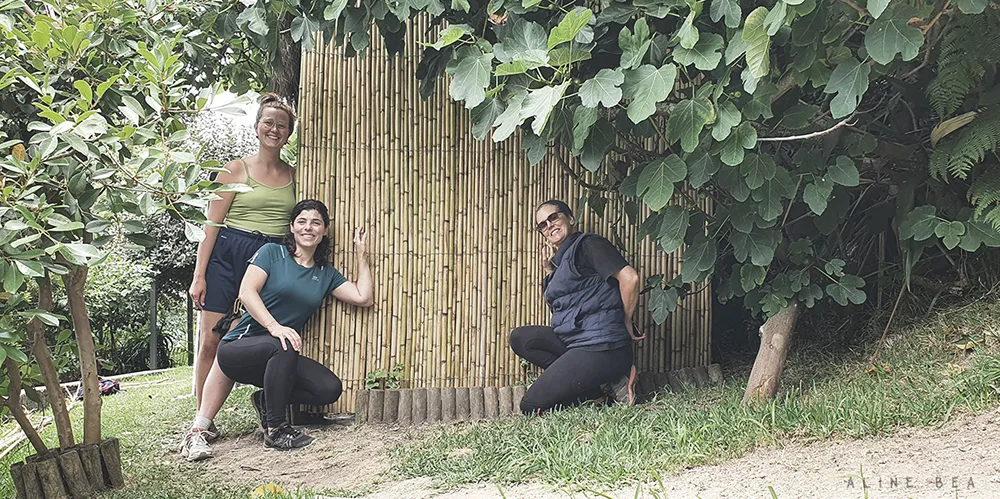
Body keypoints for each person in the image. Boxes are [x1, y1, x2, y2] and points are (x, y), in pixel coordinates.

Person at [189, 199, 374, 454]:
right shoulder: (272, 253)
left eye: (316, 223)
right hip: (238, 348)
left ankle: (265, 400)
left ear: (325, 230)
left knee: (328, 389)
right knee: (283, 342)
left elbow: (363, 297)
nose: (308, 228)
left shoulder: (325, 272)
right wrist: (274, 326)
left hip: (279, 353)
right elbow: (246, 292)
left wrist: (361, 257)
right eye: (302, 222)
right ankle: (275, 430)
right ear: (292, 227)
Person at [182, 93, 297, 460]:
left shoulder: (296, 175)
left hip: (267, 260)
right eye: (268, 123)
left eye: (282, 125)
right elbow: (212, 225)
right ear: (256, 126)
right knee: (210, 340)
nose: (274, 130)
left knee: (241, 338)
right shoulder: (235, 169)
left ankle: (266, 403)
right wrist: (199, 275)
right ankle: (202, 421)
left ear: (289, 132)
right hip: (228, 255)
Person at [509, 200, 642, 415]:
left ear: (570, 218)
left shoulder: (588, 245)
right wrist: (549, 270)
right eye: (542, 225)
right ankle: (595, 393)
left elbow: (631, 278)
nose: (549, 225)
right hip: (578, 341)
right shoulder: (560, 264)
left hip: (603, 346)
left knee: (531, 406)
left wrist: (626, 321)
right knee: (521, 338)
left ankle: (617, 375)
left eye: (553, 217)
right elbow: (569, 298)